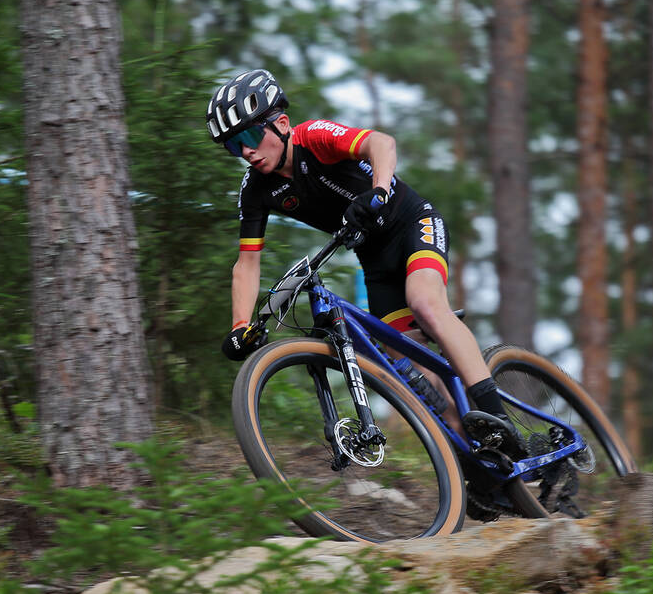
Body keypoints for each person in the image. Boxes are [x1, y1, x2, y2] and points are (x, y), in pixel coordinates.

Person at [208, 68, 526, 461]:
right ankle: (477, 464)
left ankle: (499, 418)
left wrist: (378, 190)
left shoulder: (313, 136)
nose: (245, 152)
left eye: (249, 137)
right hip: (374, 259)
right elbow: (247, 263)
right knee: (402, 360)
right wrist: (240, 325)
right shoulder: (256, 189)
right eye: (233, 146)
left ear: (283, 124)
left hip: (412, 225)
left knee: (425, 304)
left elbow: (381, 144)